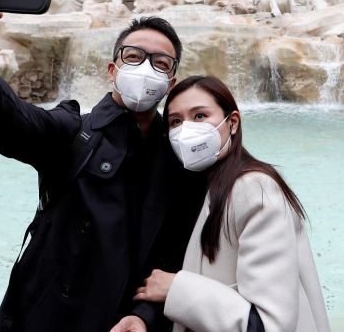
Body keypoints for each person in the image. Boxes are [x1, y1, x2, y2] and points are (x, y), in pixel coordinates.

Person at [0, 0, 204, 332]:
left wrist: (144, 318)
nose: (146, 69)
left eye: (160, 63)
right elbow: (7, 120)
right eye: (134, 57)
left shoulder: (182, 156)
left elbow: (178, 252)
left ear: (171, 81)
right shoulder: (73, 131)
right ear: (112, 69)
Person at [131, 76, 332, 332]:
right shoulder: (208, 188)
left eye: (200, 116)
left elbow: (270, 324)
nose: (187, 129)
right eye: (176, 121)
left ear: (233, 123)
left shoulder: (254, 189)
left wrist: (177, 290)